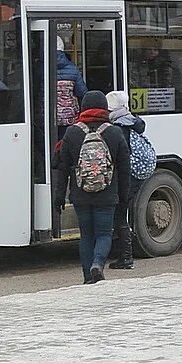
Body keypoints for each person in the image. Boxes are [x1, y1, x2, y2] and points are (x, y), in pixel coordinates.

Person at [55, 90, 130, 284]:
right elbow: (124, 169)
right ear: (104, 108)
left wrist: (59, 197)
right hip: (107, 194)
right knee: (104, 234)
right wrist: (124, 197)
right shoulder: (114, 132)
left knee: (86, 235)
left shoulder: (72, 132)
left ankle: (88, 277)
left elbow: (63, 167)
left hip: (81, 194)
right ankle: (98, 263)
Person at [106, 90, 147, 270]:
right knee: (121, 213)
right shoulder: (131, 120)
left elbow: (120, 156)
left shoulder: (118, 128)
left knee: (120, 214)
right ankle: (124, 253)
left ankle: (126, 257)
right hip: (135, 173)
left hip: (127, 175)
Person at [56, 37, 88, 136]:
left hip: (45, 117)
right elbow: (82, 92)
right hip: (68, 116)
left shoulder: (40, 67)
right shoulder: (73, 68)